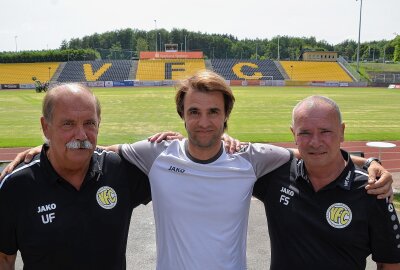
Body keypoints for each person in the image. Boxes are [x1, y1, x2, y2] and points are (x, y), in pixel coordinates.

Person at [2, 71, 393, 269]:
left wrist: (368, 163)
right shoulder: (155, 154)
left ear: (226, 117)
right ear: (181, 116)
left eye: (213, 113)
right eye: (194, 112)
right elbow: (93, 146)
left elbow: (313, 153)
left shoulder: (251, 159)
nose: (204, 122)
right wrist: (47, 147)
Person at [0, 84, 151, 269]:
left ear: (99, 123)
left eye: (89, 123)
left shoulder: (119, 170)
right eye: (68, 124)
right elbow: (4, 259)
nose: (81, 135)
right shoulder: (16, 185)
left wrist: (177, 143)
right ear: (46, 127)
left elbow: (182, 177)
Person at [253, 95, 400, 270]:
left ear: (342, 131)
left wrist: (368, 163)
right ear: (294, 134)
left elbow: (390, 263)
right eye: (304, 133)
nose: (315, 142)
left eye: (325, 131)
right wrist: (368, 161)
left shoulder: (372, 189)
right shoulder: (274, 175)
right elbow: (221, 149)